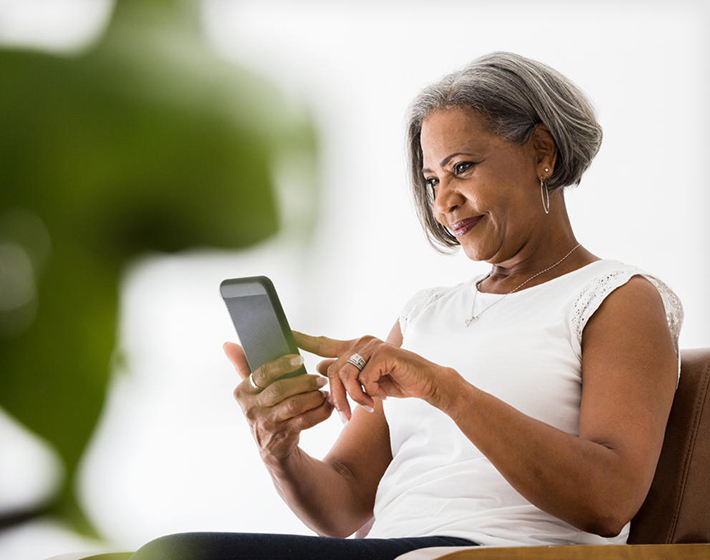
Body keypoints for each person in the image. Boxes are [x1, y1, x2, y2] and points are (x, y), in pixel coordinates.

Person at [131, 51, 683, 559]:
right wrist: (280, 451)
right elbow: (342, 505)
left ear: (542, 152)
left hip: (492, 551)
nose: (443, 200)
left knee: (179, 555)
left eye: (462, 167)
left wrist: (445, 388)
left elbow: (609, 501)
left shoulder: (617, 296)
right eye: (431, 177)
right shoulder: (426, 313)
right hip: (399, 548)